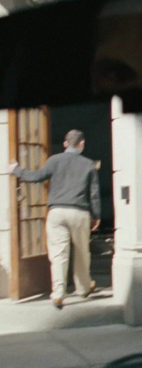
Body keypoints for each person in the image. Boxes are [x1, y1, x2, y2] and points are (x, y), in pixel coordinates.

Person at [7, 129, 100, 309]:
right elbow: (94, 194)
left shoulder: (54, 160)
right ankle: (83, 288)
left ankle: (58, 293)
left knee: (58, 254)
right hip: (79, 212)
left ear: (65, 144)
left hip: (56, 211)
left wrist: (16, 170)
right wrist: (96, 216)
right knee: (82, 252)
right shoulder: (89, 164)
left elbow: (37, 176)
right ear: (82, 144)